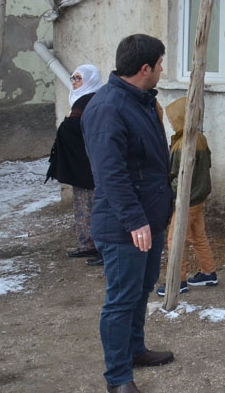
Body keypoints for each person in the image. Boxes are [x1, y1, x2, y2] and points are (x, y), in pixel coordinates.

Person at [82, 34, 175, 393]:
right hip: (124, 225)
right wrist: (135, 220)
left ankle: (135, 349)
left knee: (141, 290)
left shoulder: (141, 101)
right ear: (144, 68)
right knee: (121, 300)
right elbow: (110, 174)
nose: (163, 70)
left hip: (149, 219)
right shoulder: (108, 107)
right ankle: (118, 378)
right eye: (160, 64)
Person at [156, 96, 218, 297]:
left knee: (175, 239)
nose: (171, 123)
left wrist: (171, 190)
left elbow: (177, 174)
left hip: (187, 199)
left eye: (174, 119)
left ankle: (178, 280)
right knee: (197, 235)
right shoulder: (199, 138)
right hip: (198, 197)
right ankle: (209, 272)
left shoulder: (184, 143)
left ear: (182, 118)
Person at [46, 63, 104, 266]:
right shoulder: (80, 100)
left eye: (79, 79)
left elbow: (81, 129)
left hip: (91, 165)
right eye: (73, 78)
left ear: (90, 80)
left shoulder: (93, 100)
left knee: (95, 207)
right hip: (80, 165)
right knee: (82, 206)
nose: (75, 82)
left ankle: (102, 248)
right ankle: (86, 244)